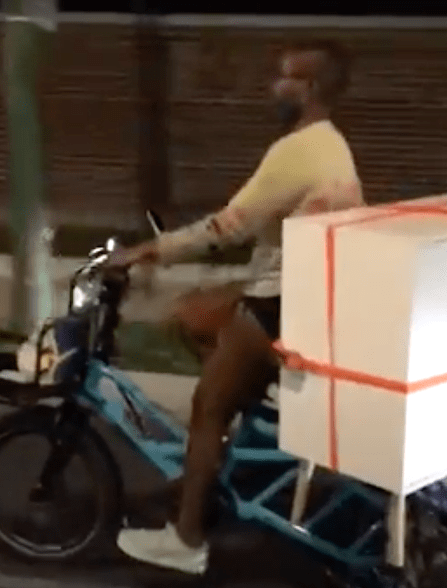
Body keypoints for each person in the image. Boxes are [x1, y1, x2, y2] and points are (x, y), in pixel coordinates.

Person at [107, 39, 364, 574]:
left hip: (278, 307)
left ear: (310, 88)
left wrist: (146, 251)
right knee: (192, 313)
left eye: (285, 77)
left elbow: (226, 227)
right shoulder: (332, 145)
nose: (274, 87)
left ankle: (187, 539)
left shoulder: (297, 151)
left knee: (207, 408)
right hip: (305, 295)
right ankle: (210, 467)